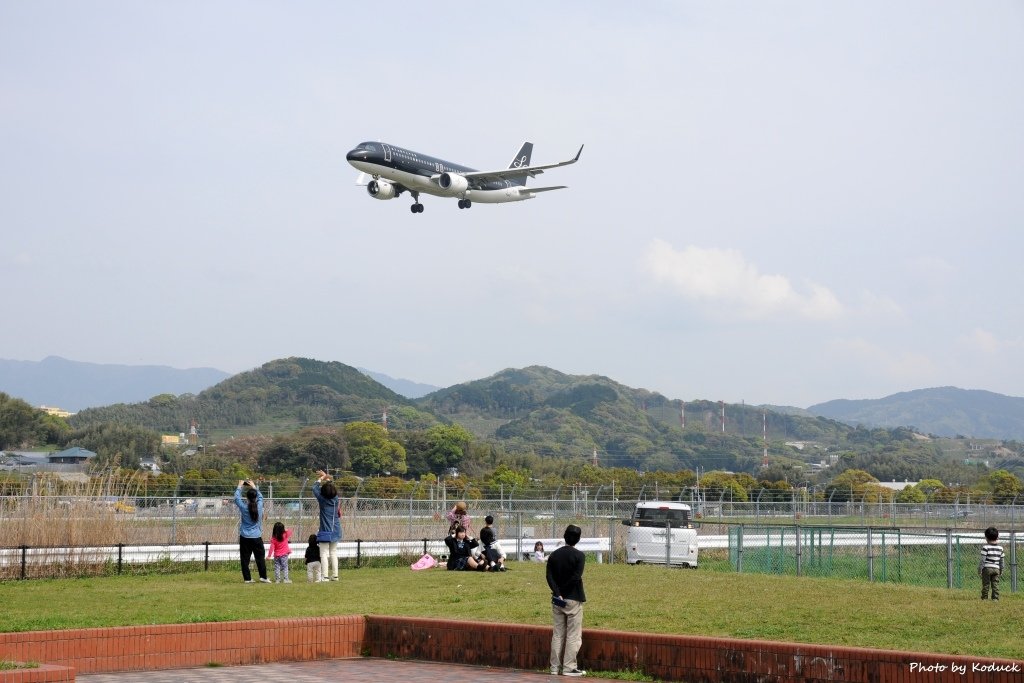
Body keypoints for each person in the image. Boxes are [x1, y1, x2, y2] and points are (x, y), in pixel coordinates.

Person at [546, 524, 586, 677]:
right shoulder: (579, 556)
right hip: (573, 597)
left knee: (558, 634)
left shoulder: (554, 555)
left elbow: (549, 576)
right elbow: (576, 577)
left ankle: (554, 668)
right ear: (578, 539)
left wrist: (557, 592)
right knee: (573, 635)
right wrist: (564, 591)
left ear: (564, 536)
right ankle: (569, 667)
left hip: (557, 599)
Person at [234, 480, 269, 584]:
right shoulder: (259, 506)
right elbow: (261, 497)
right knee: (260, 558)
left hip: (245, 537)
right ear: (255, 497)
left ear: (247, 498)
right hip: (256, 536)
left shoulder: (244, 507)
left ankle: (247, 579)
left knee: (245, 559)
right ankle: (263, 577)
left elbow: (236, 498)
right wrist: (254, 486)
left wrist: (239, 486)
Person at [312, 469, 342, 581]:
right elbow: (331, 488)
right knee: (333, 552)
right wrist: (326, 477)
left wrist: (321, 478)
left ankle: (324, 576)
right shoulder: (335, 499)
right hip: (336, 529)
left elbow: (314, 488)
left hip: (325, 530)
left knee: (324, 553)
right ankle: (335, 575)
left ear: (323, 493)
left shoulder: (322, 500)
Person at [979, 526, 1004, 600]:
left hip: (987, 568)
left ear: (986, 538)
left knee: (986, 584)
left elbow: (982, 560)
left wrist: (980, 569)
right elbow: (1002, 561)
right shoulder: (1000, 548)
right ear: (997, 537)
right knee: (995, 584)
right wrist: (1001, 569)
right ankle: (995, 598)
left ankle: (984, 598)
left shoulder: (985, 547)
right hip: (997, 569)